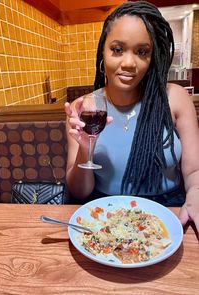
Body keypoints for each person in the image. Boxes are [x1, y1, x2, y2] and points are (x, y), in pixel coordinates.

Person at [64, 1, 199, 235]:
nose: (128, 63)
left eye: (142, 52)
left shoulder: (175, 98)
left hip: (169, 213)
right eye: (117, 49)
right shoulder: (84, 108)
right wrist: (85, 149)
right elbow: (79, 192)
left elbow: (194, 171)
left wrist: (196, 194)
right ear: (102, 51)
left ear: (152, 57)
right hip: (105, 215)